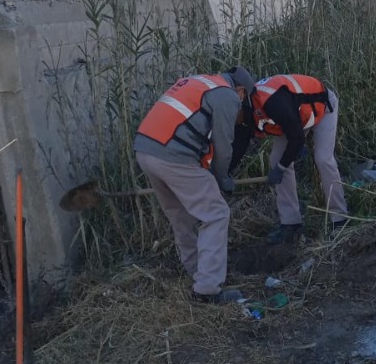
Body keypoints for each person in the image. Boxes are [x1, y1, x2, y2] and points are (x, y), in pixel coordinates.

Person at [134, 66, 256, 303]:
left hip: (145, 150)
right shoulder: (227, 95)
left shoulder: (197, 81)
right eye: (245, 98)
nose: (242, 103)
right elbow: (223, 145)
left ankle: (195, 272)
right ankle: (208, 289)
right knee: (216, 213)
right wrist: (222, 180)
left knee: (179, 214)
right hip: (173, 156)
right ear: (240, 90)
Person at [249, 73, 348, 244]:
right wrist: (224, 173)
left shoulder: (274, 103)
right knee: (277, 159)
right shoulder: (246, 107)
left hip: (322, 106)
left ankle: (339, 217)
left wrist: (281, 168)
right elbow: (241, 140)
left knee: (323, 159)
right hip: (297, 115)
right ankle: (290, 222)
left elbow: (297, 140)